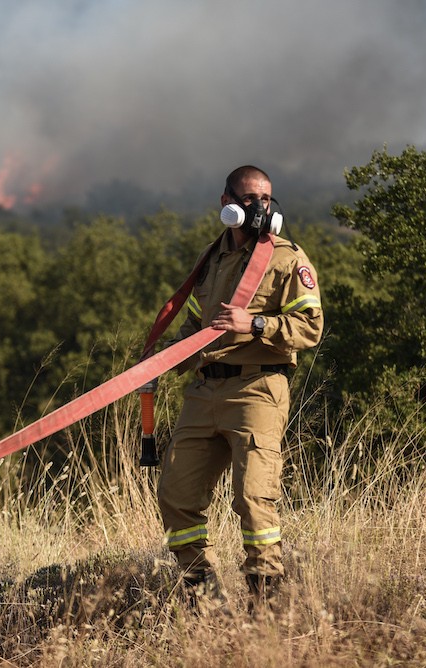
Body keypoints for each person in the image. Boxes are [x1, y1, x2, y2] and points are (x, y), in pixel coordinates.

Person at [157, 165, 324, 614]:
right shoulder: (211, 261)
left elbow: (311, 328)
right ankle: (205, 601)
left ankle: (266, 607)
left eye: (266, 199)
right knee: (176, 496)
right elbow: (194, 325)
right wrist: (159, 362)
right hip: (204, 391)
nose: (260, 208)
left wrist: (254, 323)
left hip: (258, 389)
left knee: (253, 499)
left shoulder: (287, 259)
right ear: (226, 201)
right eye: (250, 199)